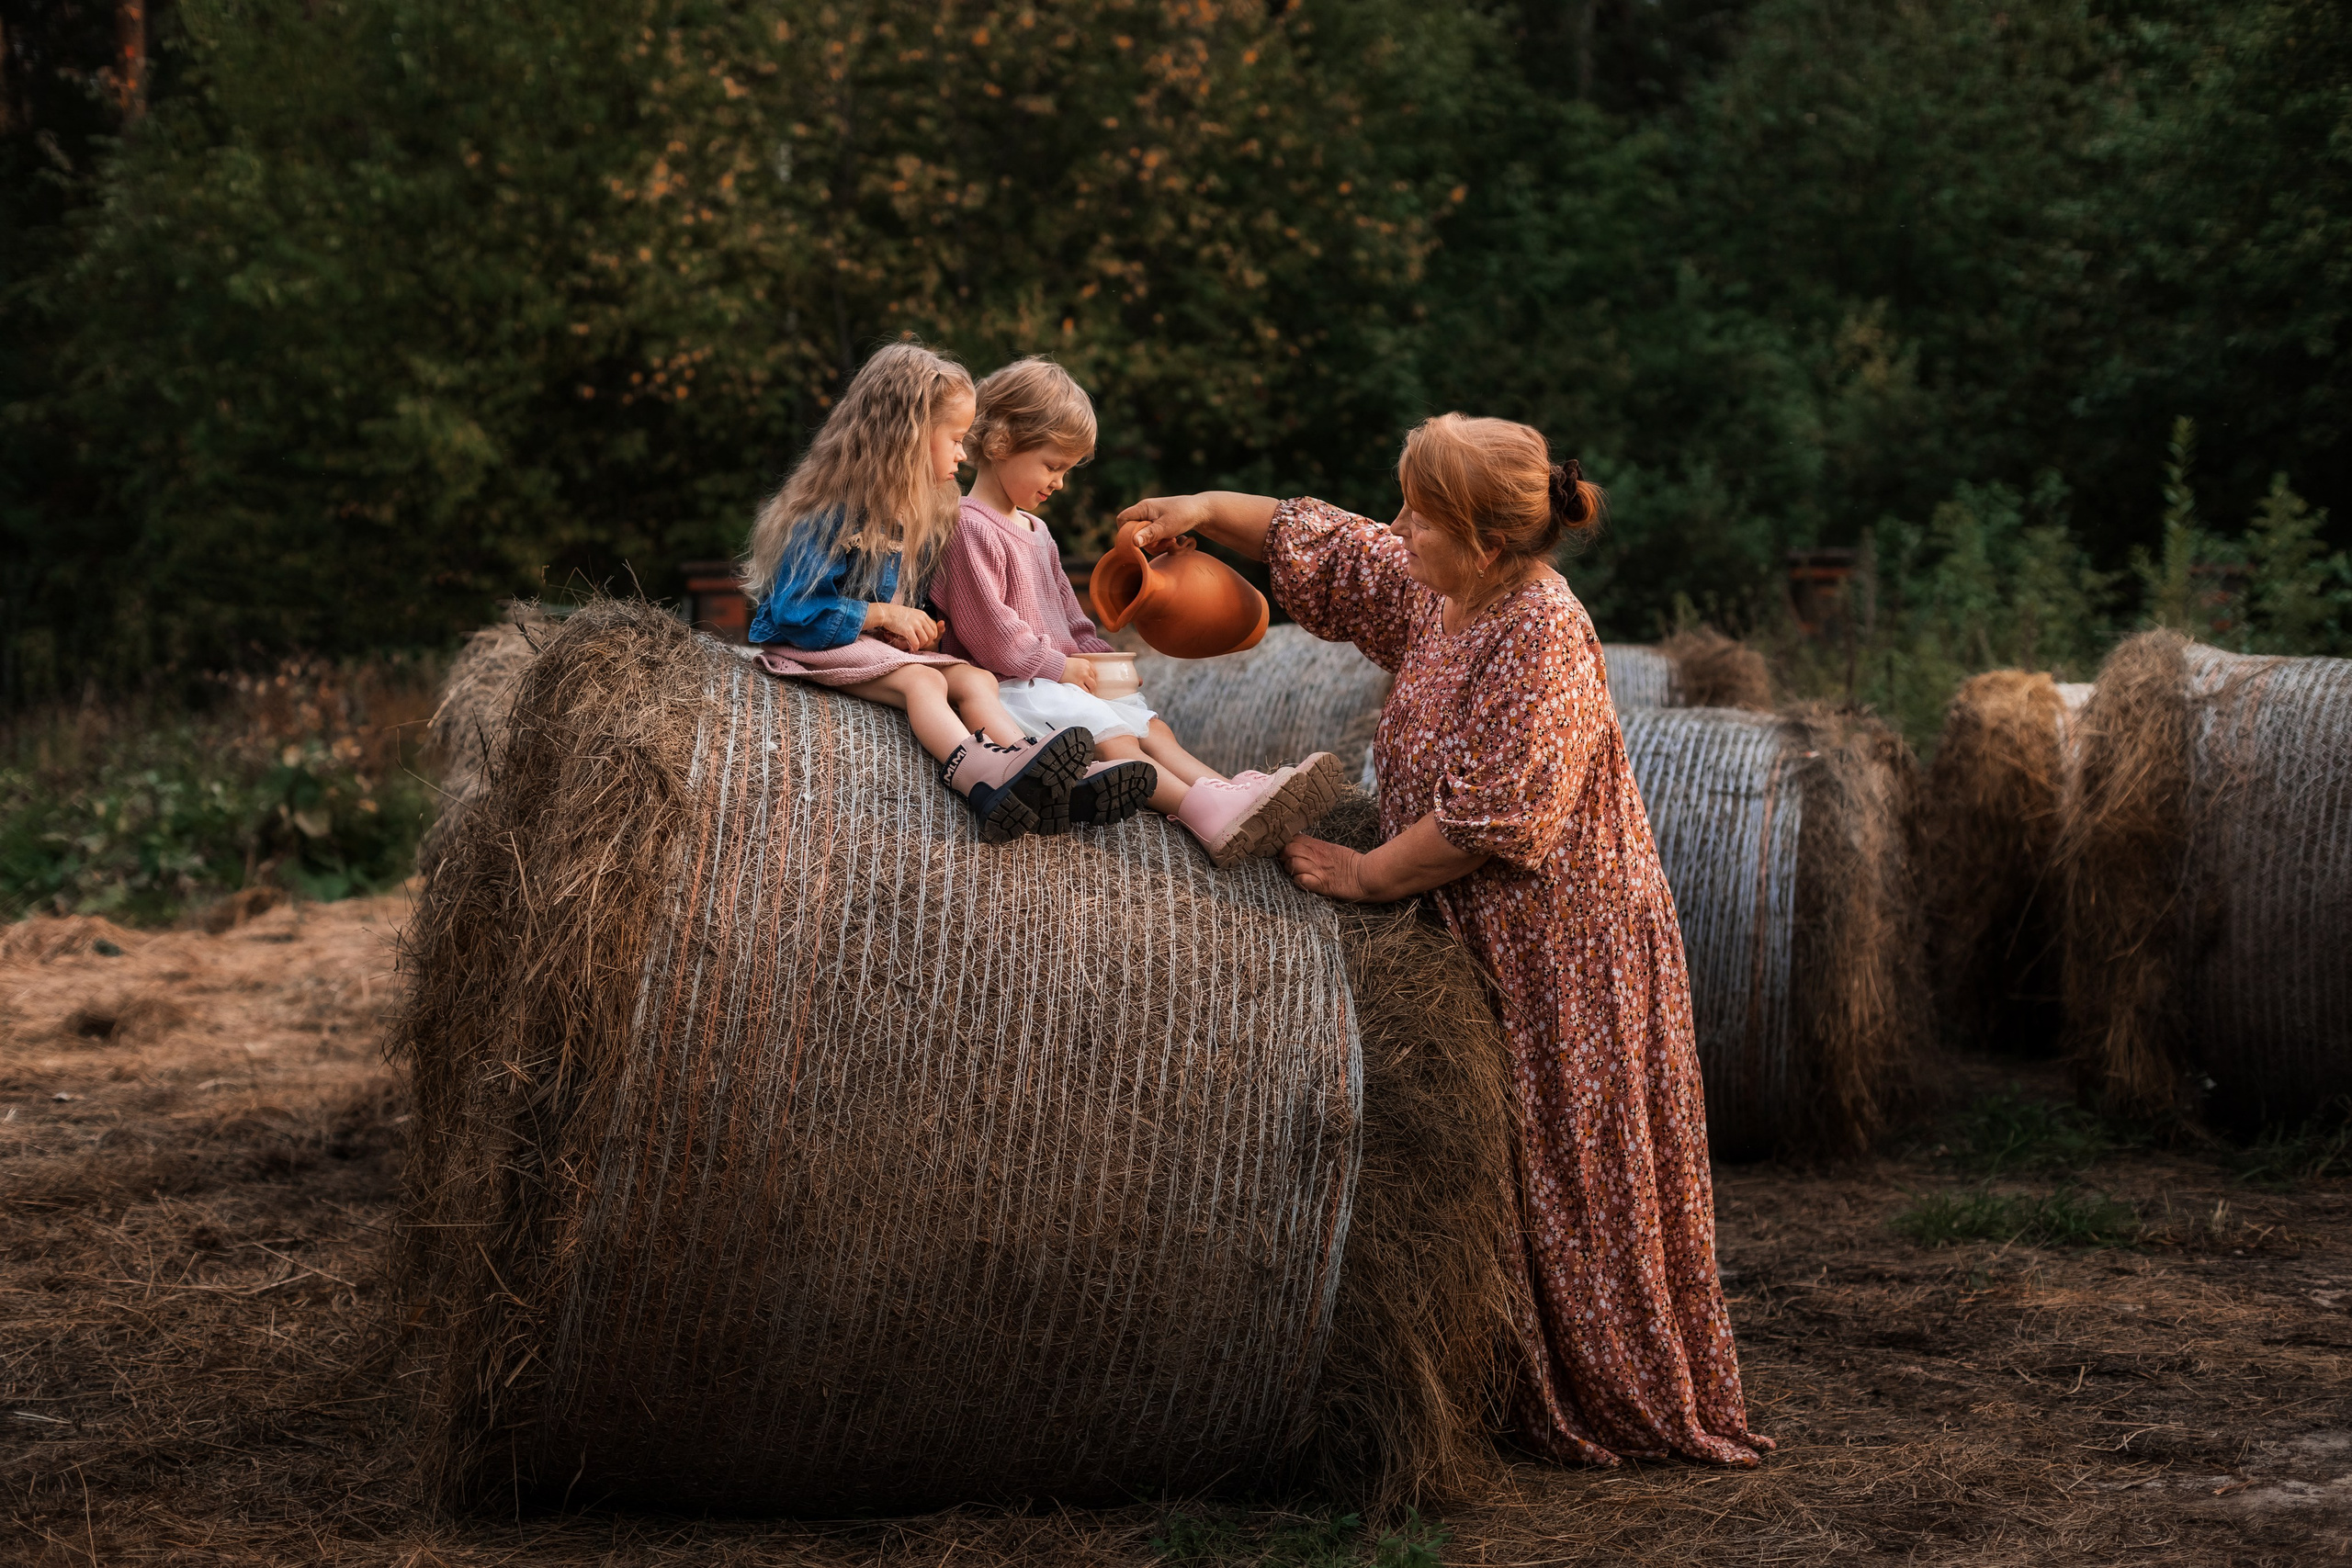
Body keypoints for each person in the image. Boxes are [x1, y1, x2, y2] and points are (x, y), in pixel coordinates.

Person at [1116, 414, 1771, 1468]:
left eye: (1419, 514)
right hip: (1475, 927)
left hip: (1559, 944)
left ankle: (1603, 1387)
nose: (1397, 527)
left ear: (1488, 540)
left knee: (1561, 1160)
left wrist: (1364, 875)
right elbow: (1323, 544)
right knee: (1490, 1165)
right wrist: (1199, 510)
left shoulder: (1540, 629)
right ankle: (1503, 1383)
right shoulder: (1444, 587)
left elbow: (1492, 816)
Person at [931, 355, 1344, 863]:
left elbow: (1071, 617)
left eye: (1067, 470)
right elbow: (991, 632)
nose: (1059, 482)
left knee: (1152, 726)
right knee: (1117, 739)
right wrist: (1060, 666)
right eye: (1052, 465)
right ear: (1000, 443)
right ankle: (1200, 812)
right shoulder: (967, 526)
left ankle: (1234, 796)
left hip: (1058, 678)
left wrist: (1106, 663)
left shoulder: (1038, 532)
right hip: (1016, 687)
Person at [739, 342, 1087, 841]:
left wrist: (911, 629)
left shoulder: (921, 512)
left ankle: (1029, 766)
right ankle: (980, 780)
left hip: (863, 648)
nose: (964, 453)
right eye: (956, 439)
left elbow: (902, 604)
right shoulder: (830, 511)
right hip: (805, 645)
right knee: (923, 682)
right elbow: (796, 611)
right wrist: (882, 616)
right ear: (909, 437)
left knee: (974, 678)